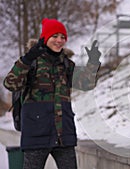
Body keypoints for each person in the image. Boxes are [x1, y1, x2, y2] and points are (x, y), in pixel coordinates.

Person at [3, 18, 101, 169]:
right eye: (54, 36)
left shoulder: (67, 64)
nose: (59, 40)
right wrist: (28, 58)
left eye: (63, 37)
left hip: (64, 135)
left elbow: (87, 83)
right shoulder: (32, 61)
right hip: (36, 135)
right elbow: (10, 83)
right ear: (45, 37)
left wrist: (93, 61)